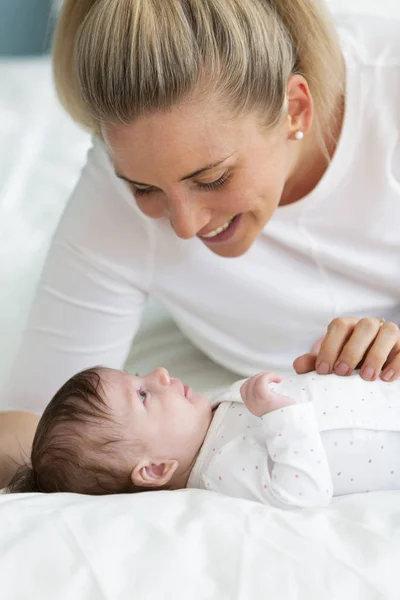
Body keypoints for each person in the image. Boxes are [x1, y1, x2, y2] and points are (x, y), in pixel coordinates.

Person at [1, 0, 400, 488]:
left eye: (211, 178)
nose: (184, 228)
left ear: (295, 107)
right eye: (144, 188)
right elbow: (37, 424)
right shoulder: (113, 200)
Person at [8, 366, 400, 508]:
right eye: (143, 394)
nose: (161, 373)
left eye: (140, 375)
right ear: (156, 468)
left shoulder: (214, 411)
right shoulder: (220, 470)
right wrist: (282, 415)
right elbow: (302, 494)